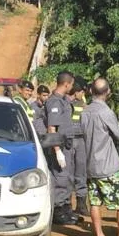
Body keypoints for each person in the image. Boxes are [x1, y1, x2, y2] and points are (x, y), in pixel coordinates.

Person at [81, 78, 119, 236]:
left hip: (91, 165)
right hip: (108, 166)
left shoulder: (85, 112)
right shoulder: (106, 112)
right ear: (108, 92)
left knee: (95, 202)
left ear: (91, 91)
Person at [45, 71, 78, 224]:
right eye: (71, 84)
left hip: (67, 145)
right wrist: (57, 151)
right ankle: (58, 211)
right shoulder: (54, 102)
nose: (71, 87)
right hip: (60, 146)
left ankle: (65, 208)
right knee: (60, 178)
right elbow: (52, 128)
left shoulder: (64, 100)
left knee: (67, 178)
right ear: (66, 84)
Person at [68, 77, 89, 217]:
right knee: (68, 173)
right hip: (69, 140)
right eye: (82, 92)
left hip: (81, 140)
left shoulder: (84, 103)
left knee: (81, 172)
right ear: (77, 91)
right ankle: (67, 204)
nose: (83, 94)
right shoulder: (66, 102)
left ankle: (81, 204)